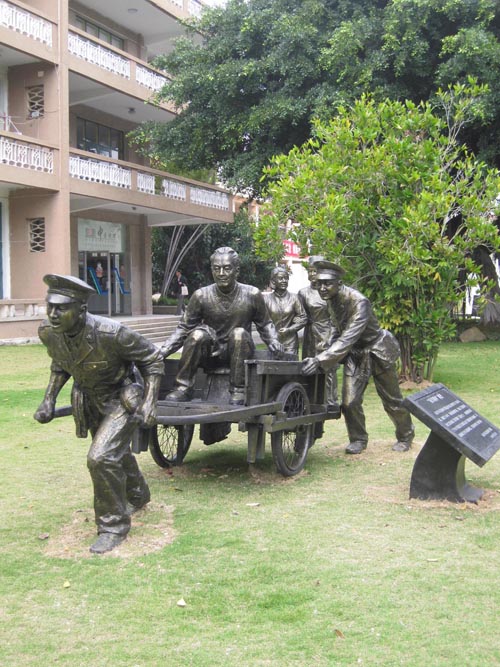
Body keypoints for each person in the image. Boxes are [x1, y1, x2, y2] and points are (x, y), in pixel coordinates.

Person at [34, 274, 164, 554]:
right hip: (89, 397)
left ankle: (113, 526)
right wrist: (49, 400)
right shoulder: (48, 333)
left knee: (100, 457)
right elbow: (61, 364)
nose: (54, 315)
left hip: (123, 396)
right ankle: (138, 494)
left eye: (62, 308)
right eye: (50, 307)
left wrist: (150, 402)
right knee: (113, 452)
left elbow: (152, 358)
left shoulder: (111, 333)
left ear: (81, 310)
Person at [302, 261, 414, 454]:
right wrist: (325, 350)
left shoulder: (359, 301)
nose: (322, 288)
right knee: (349, 402)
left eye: (327, 283)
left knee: (392, 400)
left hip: (377, 351)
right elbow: (338, 330)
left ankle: (405, 435)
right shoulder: (331, 300)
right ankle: (358, 438)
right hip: (355, 354)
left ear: (339, 282)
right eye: (319, 283)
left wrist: (322, 359)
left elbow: (349, 336)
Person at [161, 246, 284, 405]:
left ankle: (238, 391)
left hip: (240, 352)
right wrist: (163, 351)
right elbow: (183, 328)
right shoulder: (201, 296)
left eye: (226, 269)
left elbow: (265, 323)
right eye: (216, 269)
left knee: (238, 334)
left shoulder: (252, 294)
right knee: (196, 335)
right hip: (212, 354)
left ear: (236, 270)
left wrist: (273, 341)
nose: (221, 273)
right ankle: (183, 388)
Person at [298, 256, 339, 407]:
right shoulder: (303, 293)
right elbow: (301, 315)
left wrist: (331, 337)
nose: (313, 275)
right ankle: (309, 398)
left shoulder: (329, 292)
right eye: (310, 271)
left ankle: (330, 400)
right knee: (308, 366)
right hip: (310, 333)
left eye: (316, 271)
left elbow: (335, 317)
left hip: (326, 332)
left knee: (328, 367)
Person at [263, 266, 307, 356]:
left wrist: (290, 329)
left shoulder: (295, 298)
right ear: (273, 281)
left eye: (286, 278)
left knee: (290, 368)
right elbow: (263, 321)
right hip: (273, 342)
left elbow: (303, 318)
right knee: (273, 369)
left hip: (290, 343)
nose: (284, 281)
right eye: (280, 278)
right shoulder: (266, 299)